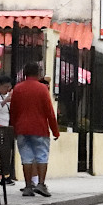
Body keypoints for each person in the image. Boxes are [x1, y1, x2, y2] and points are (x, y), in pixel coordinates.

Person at [9, 61, 61, 197]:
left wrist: (13, 129)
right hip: (39, 128)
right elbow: (49, 111)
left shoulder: (18, 88)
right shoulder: (42, 89)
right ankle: (41, 184)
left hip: (21, 128)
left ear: (25, 73)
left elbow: (13, 111)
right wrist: (55, 130)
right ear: (38, 73)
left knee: (26, 158)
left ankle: (27, 186)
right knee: (42, 156)